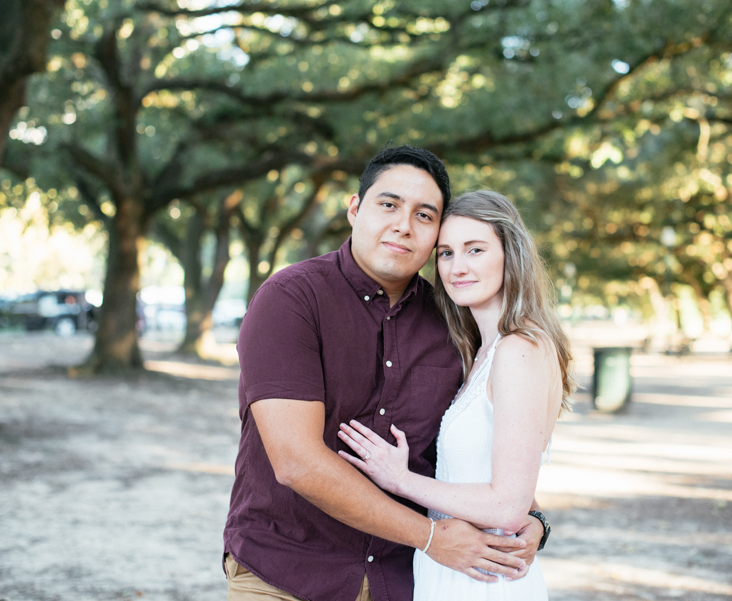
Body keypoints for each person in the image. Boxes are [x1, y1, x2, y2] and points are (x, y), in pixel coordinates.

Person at [223, 147, 550, 601]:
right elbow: (296, 463)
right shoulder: (291, 300)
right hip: (287, 572)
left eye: (424, 215)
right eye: (389, 204)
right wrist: (430, 537)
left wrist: (533, 519)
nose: (403, 225)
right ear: (355, 210)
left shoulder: (453, 322)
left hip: (405, 582)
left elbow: (477, 446)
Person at [338, 190, 575, 600]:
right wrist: (537, 518)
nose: (457, 267)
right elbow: (507, 483)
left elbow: (506, 507)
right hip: (455, 567)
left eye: (475, 249)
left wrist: (400, 479)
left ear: (510, 254)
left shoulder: (519, 349)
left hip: (482, 580)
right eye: (445, 253)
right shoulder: (482, 350)